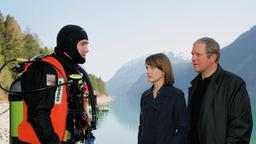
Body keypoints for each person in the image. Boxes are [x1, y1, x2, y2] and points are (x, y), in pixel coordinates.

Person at [17, 24, 95, 143]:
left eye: (87, 44)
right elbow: (38, 114)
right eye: (83, 44)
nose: (87, 49)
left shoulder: (73, 72)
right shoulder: (47, 70)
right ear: (70, 44)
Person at [188, 37, 253, 144]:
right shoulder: (194, 86)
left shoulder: (234, 84)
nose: (193, 58)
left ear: (213, 57)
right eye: (192, 54)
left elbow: (240, 130)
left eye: (198, 54)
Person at [138, 53, 187, 144]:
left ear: (163, 69)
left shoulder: (176, 95)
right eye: (147, 68)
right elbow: (142, 127)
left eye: (152, 68)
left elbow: (182, 130)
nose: (148, 71)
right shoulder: (145, 96)